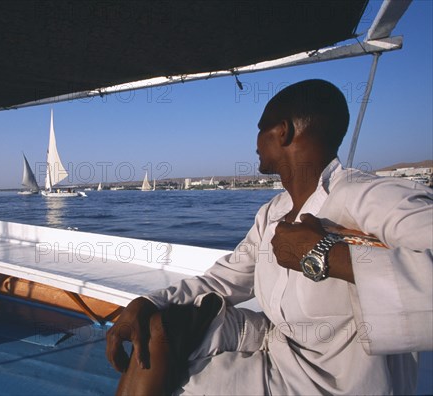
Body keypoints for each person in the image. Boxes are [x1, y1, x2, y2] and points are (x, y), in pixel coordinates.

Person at [105, 79, 432, 395]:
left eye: (260, 129)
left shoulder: (371, 197)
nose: (255, 143)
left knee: (186, 381)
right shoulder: (273, 212)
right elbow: (224, 280)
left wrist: (323, 254)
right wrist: (148, 302)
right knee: (161, 327)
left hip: (334, 379)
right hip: (276, 342)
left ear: (283, 131)